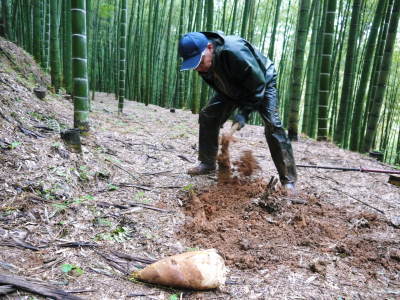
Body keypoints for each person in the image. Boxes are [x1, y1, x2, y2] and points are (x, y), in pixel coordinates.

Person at [178, 31, 297, 191]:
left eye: (199, 61)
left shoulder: (235, 52)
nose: (197, 68)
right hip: (232, 85)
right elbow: (220, 85)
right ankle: (207, 163)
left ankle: (288, 179)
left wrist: (243, 113)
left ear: (210, 47)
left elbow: (257, 85)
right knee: (208, 115)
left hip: (262, 80)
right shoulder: (203, 64)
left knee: (273, 125)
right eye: (193, 64)